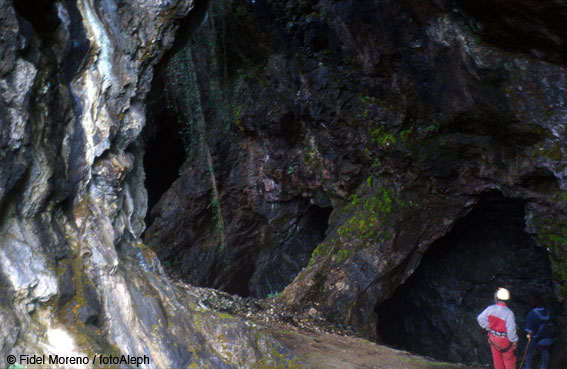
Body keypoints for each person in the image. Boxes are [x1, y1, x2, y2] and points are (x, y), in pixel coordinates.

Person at [477, 287, 518, 369]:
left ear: (497, 297)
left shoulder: (490, 308)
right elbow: (511, 330)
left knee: (497, 362)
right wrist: (514, 341)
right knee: (509, 362)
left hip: (493, 338)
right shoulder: (509, 313)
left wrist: (489, 327)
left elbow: (480, 318)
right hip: (504, 341)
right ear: (507, 299)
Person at [522, 295, 553, 369]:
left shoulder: (532, 314)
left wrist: (528, 336)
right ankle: (544, 367)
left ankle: (528, 367)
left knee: (528, 350)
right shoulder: (548, 311)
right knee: (544, 350)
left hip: (537, 338)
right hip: (548, 337)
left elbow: (530, 332)